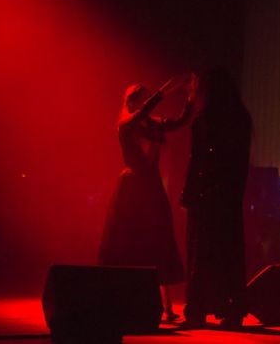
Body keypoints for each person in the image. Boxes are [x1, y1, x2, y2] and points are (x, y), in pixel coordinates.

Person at [99, 74, 196, 321]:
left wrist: (190, 97)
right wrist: (162, 93)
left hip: (152, 188)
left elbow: (181, 121)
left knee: (160, 241)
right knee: (130, 243)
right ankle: (121, 300)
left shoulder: (153, 125)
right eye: (142, 100)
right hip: (133, 189)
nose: (145, 104)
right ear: (131, 102)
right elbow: (141, 114)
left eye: (147, 99)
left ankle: (168, 307)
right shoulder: (126, 124)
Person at [181, 68, 252, 329]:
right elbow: (239, 163)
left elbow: (198, 160)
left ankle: (198, 309)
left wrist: (190, 191)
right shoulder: (240, 118)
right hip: (226, 197)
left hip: (207, 195)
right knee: (227, 254)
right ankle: (230, 309)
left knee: (201, 253)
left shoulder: (205, 120)